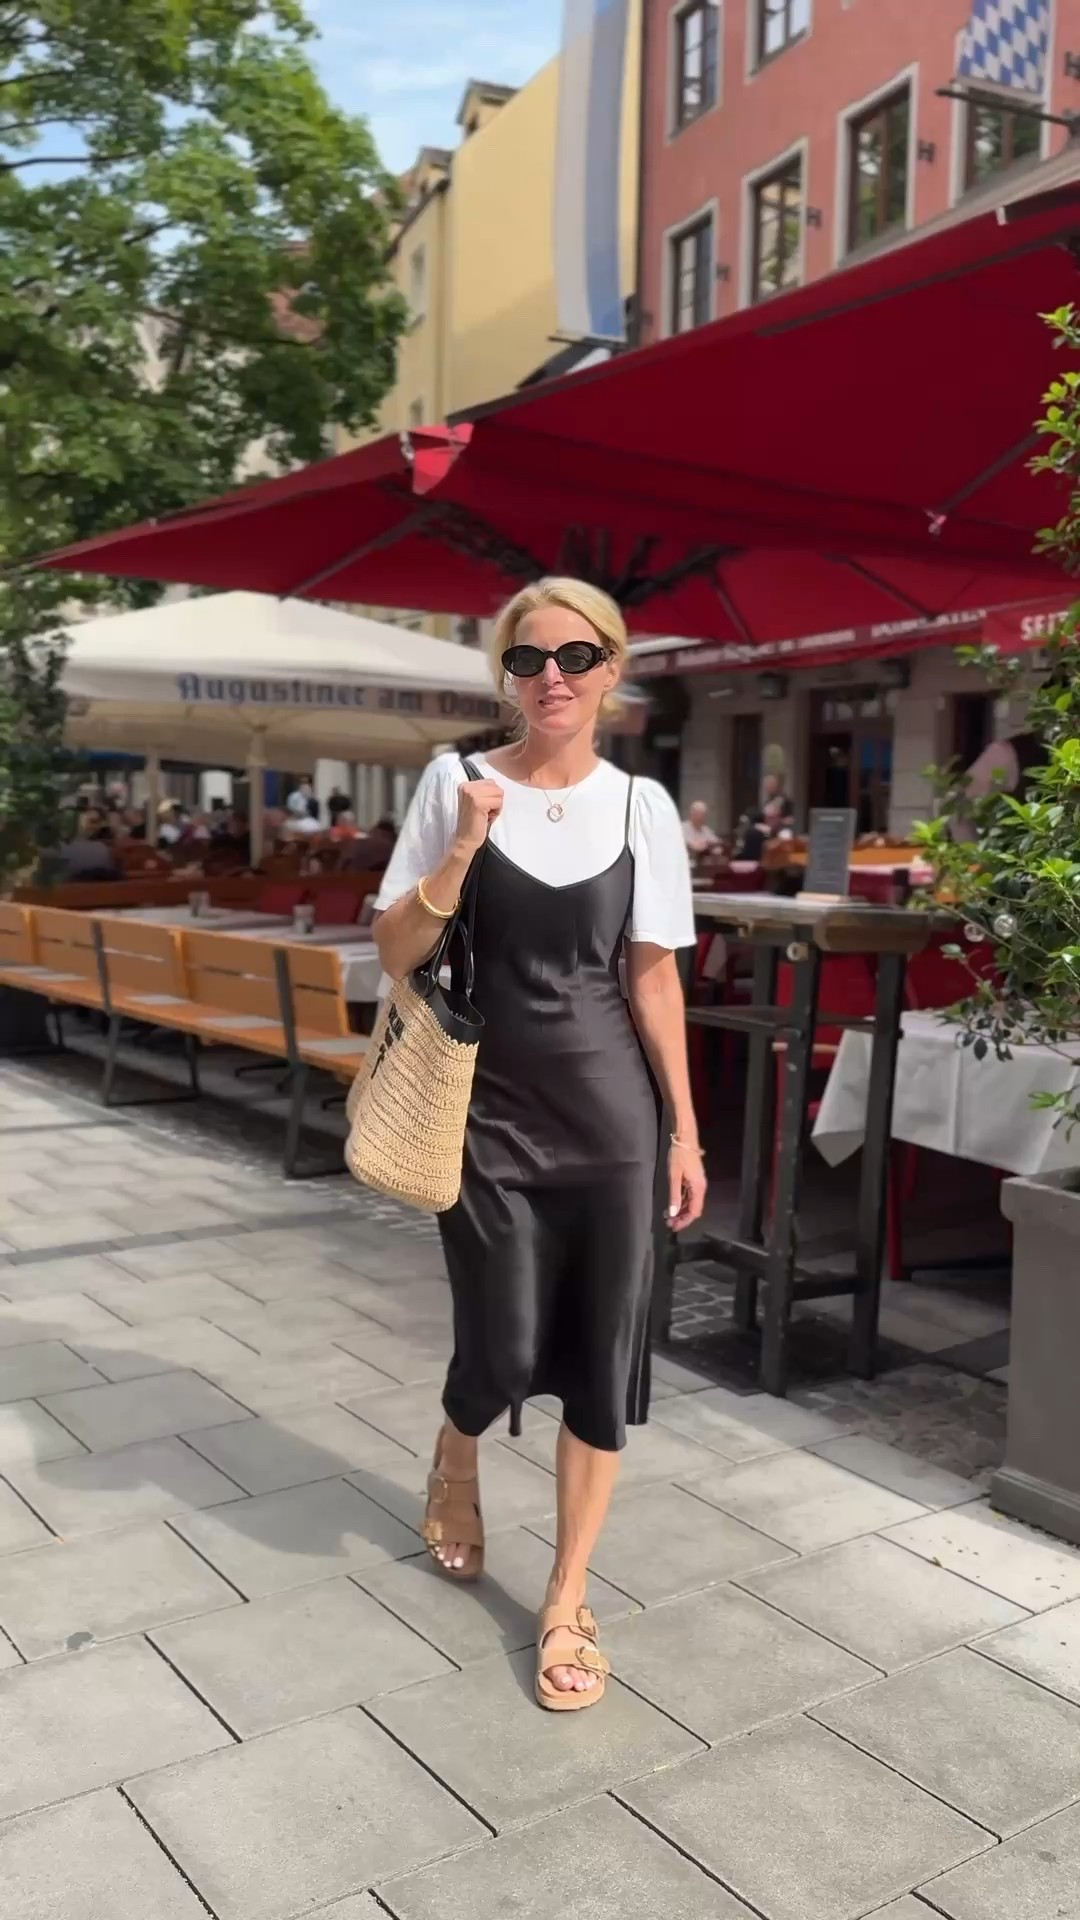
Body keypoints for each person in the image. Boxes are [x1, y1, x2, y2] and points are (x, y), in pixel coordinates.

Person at [374, 576, 705, 1713]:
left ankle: (568, 1597)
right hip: (485, 1111)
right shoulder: (453, 783)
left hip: (614, 1113)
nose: (550, 676)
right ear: (505, 678)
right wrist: (462, 852)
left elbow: (653, 976)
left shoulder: (642, 809)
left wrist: (685, 1131)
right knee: (506, 1346)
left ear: (613, 669)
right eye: (526, 660)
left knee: (602, 1361)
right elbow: (393, 950)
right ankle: (458, 1450)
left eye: (574, 654)